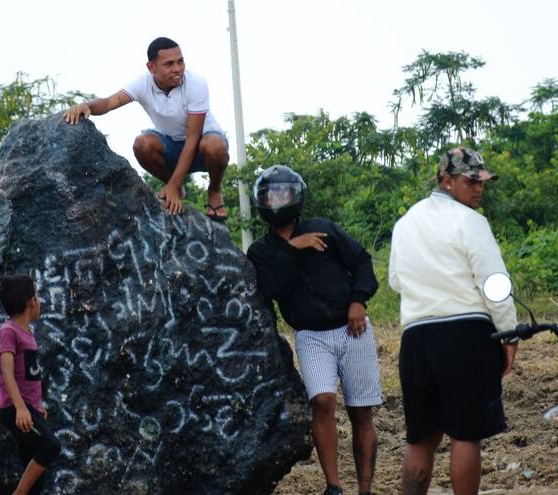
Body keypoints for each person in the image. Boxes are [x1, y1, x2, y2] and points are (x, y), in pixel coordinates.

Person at [389, 147, 518, 495]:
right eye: (471, 182)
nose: (479, 189)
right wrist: (509, 333)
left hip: (415, 339)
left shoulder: (405, 224)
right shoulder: (471, 222)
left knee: (421, 439)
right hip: (465, 335)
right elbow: (493, 284)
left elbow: (396, 282)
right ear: (446, 181)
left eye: (482, 183)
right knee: (465, 434)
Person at [246, 165, 381, 495]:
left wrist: (358, 301)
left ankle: (365, 488)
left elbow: (361, 262)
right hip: (310, 336)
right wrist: (294, 248)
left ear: (296, 196)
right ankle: (333, 486)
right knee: (321, 401)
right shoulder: (260, 252)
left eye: (283, 193)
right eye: (269, 195)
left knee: (361, 412)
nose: (276, 200)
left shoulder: (323, 228)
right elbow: (273, 289)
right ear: (260, 202)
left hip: (354, 328)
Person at [63, 36, 230, 221]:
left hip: (201, 145)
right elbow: (111, 101)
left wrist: (173, 186)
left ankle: (214, 190)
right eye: (169, 64)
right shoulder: (143, 84)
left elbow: (192, 138)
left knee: (215, 146)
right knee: (142, 144)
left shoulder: (196, 83)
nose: (177, 69)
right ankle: (174, 185)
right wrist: (88, 106)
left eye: (180, 61)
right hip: (172, 147)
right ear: (151, 68)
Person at [0, 274, 61, 495]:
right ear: (31, 301)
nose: (39, 302)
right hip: (14, 407)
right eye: (37, 297)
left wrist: (35, 405)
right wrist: (22, 408)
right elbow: (6, 371)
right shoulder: (8, 331)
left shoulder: (26, 334)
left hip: (27, 408)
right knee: (51, 446)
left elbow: (29, 376)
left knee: (36, 476)